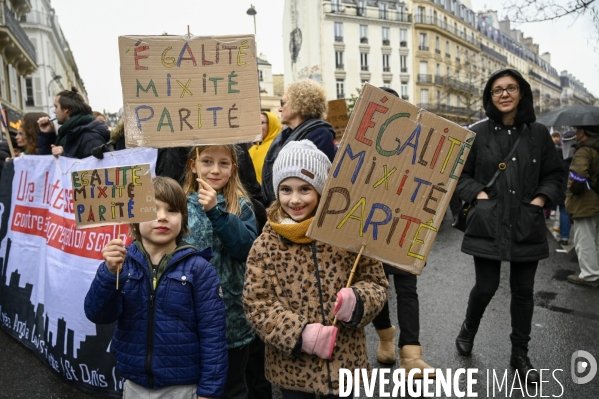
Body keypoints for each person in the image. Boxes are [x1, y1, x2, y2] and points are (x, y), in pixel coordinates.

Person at [243, 140, 388, 399]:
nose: (295, 199)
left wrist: (358, 301)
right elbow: (257, 304)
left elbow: (375, 281)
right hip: (293, 371)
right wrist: (301, 334)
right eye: (286, 189)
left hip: (345, 363)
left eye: (305, 189)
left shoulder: (345, 233)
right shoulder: (265, 245)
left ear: (321, 190)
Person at [454, 68, 563, 384]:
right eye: (496, 89)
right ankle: (468, 328)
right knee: (486, 286)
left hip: (526, 223)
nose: (503, 94)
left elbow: (555, 174)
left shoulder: (539, 134)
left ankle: (520, 354)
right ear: (490, 96)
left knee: (523, 291)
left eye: (510, 88)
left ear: (521, 93)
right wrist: (479, 193)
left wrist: (541, 200)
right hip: (487, 222)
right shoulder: (478, 133)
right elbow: (460, 175)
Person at [84, 176, 228, 399]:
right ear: (134, 219)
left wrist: (209, 391)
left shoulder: (200, 270)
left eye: (172, 210)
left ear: (183, 218)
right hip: (134, 386)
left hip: (184, 389)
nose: (162, 217)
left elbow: (214, 337)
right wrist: (109, 273)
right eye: (151, 209)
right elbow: (98, 314)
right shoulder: (121, 265)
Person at [369, 87, 435, 379]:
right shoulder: (359, 142)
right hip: (370, 226)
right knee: (379, 289)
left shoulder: (415, 145)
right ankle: (386, 338)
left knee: (407, 289)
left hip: (405, 226)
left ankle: (411, 354)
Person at [183, 145, 258, 399]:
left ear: (233, 169)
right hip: (188, 315)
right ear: (193, 165)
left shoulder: (242, 206)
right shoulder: (179, 205)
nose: (215, 170)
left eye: (223, 163)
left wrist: (216, 212)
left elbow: (245, 249)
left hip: (231, 318)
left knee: (232, 386)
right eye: (207, 161)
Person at [261, 80, 337, 203]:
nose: (280, 109)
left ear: (299, 104)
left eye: (283, 103)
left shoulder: (320, 134)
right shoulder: (284, 136)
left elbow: (311, 182)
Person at [565, 125, 599, 287]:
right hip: (597, 201)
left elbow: (578, 175)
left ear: (584, 132)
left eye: (577, 129)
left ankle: (590, 276)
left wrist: (574, 188)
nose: (575, 132)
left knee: (584, 241)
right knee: (596, 240)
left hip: (586, 203)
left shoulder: (584, 151)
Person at [37, 87, 110, 158]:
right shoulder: (66, 134)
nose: (54, 111)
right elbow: (50, 165)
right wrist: (46, 134)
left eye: (56, 107)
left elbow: (96, 168)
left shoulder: (91, 138)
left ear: (66, 109)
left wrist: (64, 157)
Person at [553, 130, 577, 245]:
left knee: (564, 210)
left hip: (562, 186)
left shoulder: (558, 153)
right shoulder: (579, 154)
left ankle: (564, 237)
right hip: (576, 186)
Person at [249, 112, 282, 185]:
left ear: (272, 125)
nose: (257, 127)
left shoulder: (278, 147)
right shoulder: (252, 149)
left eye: (261, 122)